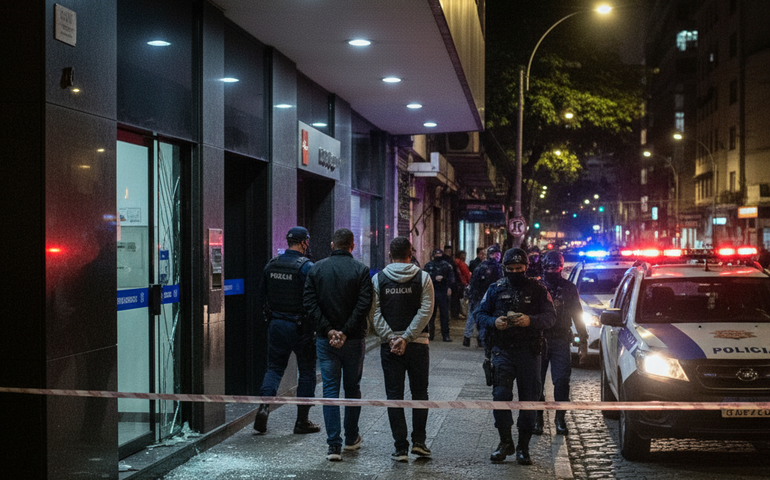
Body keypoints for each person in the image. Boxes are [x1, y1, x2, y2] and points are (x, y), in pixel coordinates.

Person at [475, 248, 556, 465]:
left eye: (519, 269)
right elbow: (479, 313)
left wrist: (530, 320)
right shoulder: (495, 289)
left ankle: (523, 447)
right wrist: (494, 322)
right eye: (510, 269)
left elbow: (550, 317)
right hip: (502, 351)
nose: (515, 272)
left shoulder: (538, 289)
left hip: (529, 353)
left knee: (529, 400)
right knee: (501, 397)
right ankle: (505, 442)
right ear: (504, 269)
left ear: (526, 268)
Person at [303, 228, 373, 461]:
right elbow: (364, 305)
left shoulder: (316, 268)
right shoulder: (361, 270)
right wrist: (345, 331)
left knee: (330, 389)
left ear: (333, 244)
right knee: (352, 388)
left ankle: (334, 445)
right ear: (352, 245)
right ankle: (352, 438)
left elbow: (309, 303)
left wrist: (329, 329)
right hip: (353, 340)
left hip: (326, 340)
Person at [369, 236, 435, 461]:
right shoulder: (423, 277)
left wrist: (392, 338)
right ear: (411, 254)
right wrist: (407, 337)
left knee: (394, 395)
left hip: (390, 348)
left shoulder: (378, 279)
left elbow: (374, 314)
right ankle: (419, 442)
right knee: (420, 393)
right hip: (418, 346)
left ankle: (400, 448)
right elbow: (426, 312)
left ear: (389, 254)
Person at [253, 226, 320, 435]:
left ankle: (264, 408)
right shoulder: (307, 267)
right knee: (307, 372)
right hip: (301, 328)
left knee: (274, 368)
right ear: (304, 242)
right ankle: (302, 421)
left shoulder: (272, 264)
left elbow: (261, 296)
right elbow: (314, 298)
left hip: (276, 325)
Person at [534, 250, 587, 436]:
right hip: (539, 339)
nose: (551, 270)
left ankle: (560, 419)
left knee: (562, 381)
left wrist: (583, 340)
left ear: (561, 268)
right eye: (548, 267)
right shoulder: (536, 286)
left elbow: (577, 314)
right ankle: (537, 419)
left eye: (555, 267)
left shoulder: (569, 288)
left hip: (561, 339)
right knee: (536, 382)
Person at [463, 245, 503, 347]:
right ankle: (477, 338)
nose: (498, 256)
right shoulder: (489, 267)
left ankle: (474, 338)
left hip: (484, 296)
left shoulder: (491, 266)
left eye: (498, 254)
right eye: (496, 254)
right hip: (482, 296)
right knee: (477, 317)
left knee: (476, 317)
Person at [423, 248, 455, 342]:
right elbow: (425, 278)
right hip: (431, 291)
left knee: (444, 315)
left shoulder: (446, 265)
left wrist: (448, 285)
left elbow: (452, 278)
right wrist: (434, 278)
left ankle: (445, 335)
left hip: (442, 291)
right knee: (430, 316)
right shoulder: (429, 265)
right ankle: (430, 334)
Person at [454, 250, 471, 318]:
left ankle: (457, 312)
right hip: (462, 283)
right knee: (461, 299)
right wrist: (469, 281)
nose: (464, 257)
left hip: (458, 283)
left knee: (457, 299)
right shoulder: (461, 263)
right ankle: (461, 312)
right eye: (463, 255)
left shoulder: (455, 262)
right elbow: (466, 273)